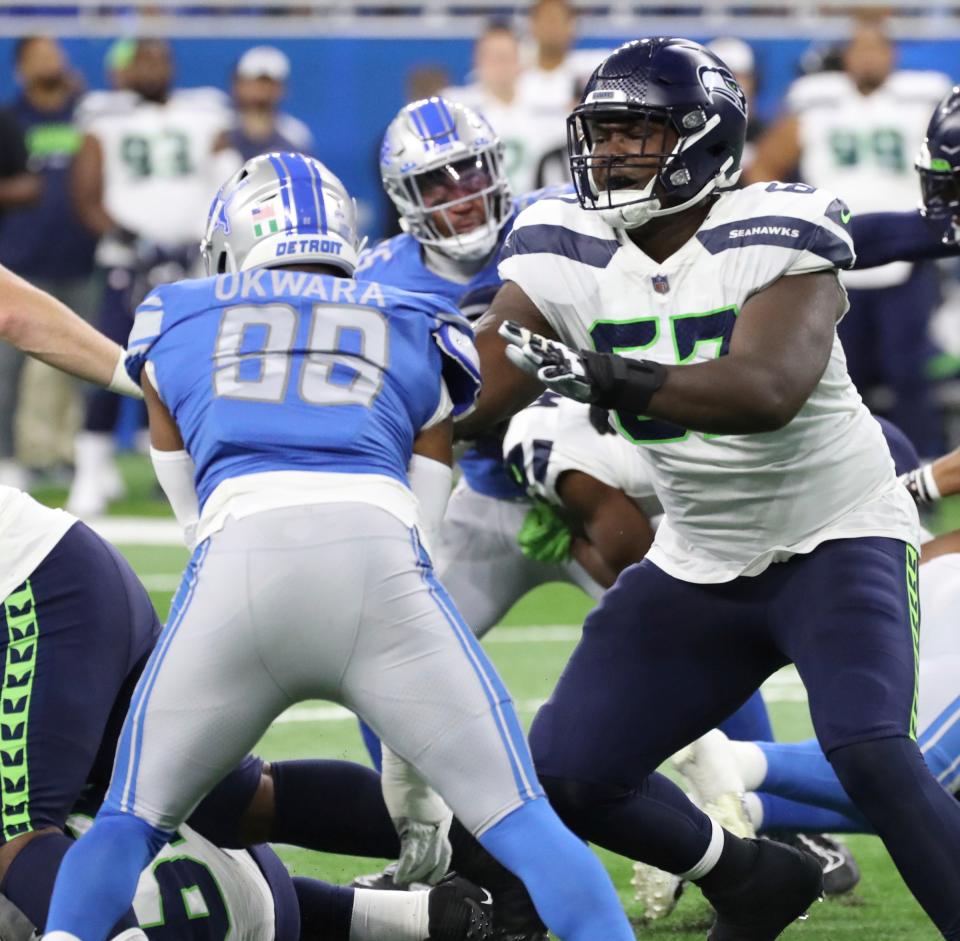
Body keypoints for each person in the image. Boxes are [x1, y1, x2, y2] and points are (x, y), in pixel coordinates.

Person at [40, 152, 635, 941]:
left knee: (128, 818)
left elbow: (186, 490)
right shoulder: (416, 318)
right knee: (524, 822)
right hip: (378, 564)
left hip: (238, 562)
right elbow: (428, 512)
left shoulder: (176, 311)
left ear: (233, 237)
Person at [458, 35, 960, 940]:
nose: (608, 152)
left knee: (873, 750)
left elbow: (765, 391)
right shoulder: (556, 241)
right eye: (600, 132)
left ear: (705, 140)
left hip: (835, 534)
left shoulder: (779, 224)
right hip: (698, 555)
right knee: (571, 773)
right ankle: (756, 878)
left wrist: (606, 374)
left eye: (635, 133)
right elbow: (476, 392)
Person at [746, 14, 952, 456]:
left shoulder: (921, 96)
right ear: (846, 57)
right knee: (840, 375)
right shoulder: (816, 100)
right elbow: (764, 165)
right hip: (832, 254)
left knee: (908, 371)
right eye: (861, 48)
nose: (870, 57)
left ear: (893, 55)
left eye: (878, 48)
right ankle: (848, 466)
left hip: (907, 245)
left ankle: (928, 465)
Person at [66, 38, 238, 518]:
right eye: (142, 59)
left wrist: (206, 234)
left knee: (193, 367)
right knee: (109, 359)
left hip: (189, 264)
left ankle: (191, 470)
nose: (150, 67)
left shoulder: (204, 115)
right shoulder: (104, 118)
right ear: (123, 68)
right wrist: (131, 237)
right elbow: (85, 193)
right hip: (128, 259)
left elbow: (231, 182)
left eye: (158, 58)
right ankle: (90, 472)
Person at [0, 37, 99, 485]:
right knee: (9, 371)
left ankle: (68, 458)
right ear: (20, 69)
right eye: (40, 56)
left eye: (56, 53)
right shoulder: (9, 120)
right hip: (22, 260)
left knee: (79, 364)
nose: (52, 61)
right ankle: (8, 459)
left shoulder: (86, 114)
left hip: (82, 259)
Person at [443, 23, 563, 195]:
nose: (500, 66)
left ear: (520, 59)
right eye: (492, 57)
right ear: (477, 61)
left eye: (505, 57)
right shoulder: (457, 111)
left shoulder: (547, 109)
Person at [225, 45, 313, 162]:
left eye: (269, 83)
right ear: (238, 84)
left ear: (281, 88)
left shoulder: (295, 136)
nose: (261, 89)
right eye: (254, 81)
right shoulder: (217, 128)